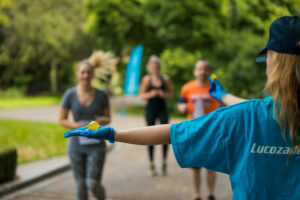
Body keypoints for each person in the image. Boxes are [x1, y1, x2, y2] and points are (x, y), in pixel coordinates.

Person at [64, 16, 300, 199]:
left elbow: (174, 131)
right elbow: (257, 109)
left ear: (274, 60)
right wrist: (223, 95)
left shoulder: (245, 117)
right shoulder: (247, 114)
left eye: (268, 57)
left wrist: (114, 133)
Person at [59, 58, 111, 200]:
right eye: (83, 72)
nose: (86, 76)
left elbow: (108, 119)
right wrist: (76, 126)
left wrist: (101, 120)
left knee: (92, 183)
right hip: (76, 145)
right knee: (80, 185)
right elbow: (62, 119)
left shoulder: (101, 95)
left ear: (93, 74)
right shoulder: (69, 94)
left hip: (96, 145)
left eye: (89, 72)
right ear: (77, 74)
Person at [177, 60, 219, 200]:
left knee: (211, 165)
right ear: (195, 72)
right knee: (194, 166)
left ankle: (211, 194)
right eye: (199, 69)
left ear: (209, 72)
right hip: (193, 131)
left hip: (211, 130)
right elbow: (181, 103)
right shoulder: (187, 88)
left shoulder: (215, 88)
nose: (202, 71)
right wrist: (181, 108)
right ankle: (197, 195)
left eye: (205, 69)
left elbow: (221, 105)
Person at [139, 55, 174, 176]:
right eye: (153, 67)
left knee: (165, 134)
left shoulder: (165, 79)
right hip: (151, 109)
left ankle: (164, 162)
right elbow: (142, 95)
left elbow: (171, 94)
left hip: (162, 109)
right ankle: (151, 164)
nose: (155, 69)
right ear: (149, 68)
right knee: (150, 136)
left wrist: (162, 94)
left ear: (160, 68)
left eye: (157, 67)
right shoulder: (146, 80)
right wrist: (152, 93)